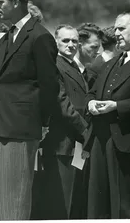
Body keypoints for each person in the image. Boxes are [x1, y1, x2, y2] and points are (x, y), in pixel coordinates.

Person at [0, 0, 60, 220]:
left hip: (21, 128)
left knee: (13, 200)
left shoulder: (40, 37)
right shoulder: (7, 38)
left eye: (0, 1)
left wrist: (42, 122)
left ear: (16, 2)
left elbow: (49, 85)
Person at [86, 12, 130, 219]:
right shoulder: (110, 63)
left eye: (121, 28)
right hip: (100, 140)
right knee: (98, 203)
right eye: (115, 29)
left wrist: (116, 106)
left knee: (123, 203)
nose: (116, 33)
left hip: (127, 143)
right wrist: (89, 103)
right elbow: (92, 92)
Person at [39, 25, 91, 219]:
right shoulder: (54, 65)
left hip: (75, 145)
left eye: (75, 41)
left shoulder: (74, 65)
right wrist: (87, 131)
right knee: (61, 205)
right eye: (65, 41)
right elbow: (62, 105)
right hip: (62, 144)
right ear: (56, 42)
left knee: (74, 203)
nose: (71, 45)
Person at [75, 23, 103, 89]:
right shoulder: (63, 70)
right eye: (94, 47)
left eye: (98, 48)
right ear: (79, 45)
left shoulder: (90, 75)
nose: (98, 52)